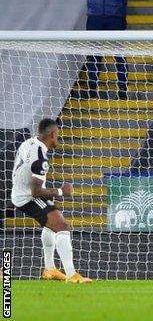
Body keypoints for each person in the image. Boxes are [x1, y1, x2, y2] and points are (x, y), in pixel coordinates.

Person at [11, 119, 92, 283]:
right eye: (58, 135)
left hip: (19, 190)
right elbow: (36, 192)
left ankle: (50, 269)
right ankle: (71, 275)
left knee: (51, 223)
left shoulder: (29, 143)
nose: (58, 139)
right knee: (61, 225)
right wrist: (62, 191)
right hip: (27, 197)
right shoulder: (41, 158)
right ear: (52, 134)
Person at [81, 0, 131, 99]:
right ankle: (92, 89)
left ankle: (122, 90)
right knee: (94, 53)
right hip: (95, 15)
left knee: (118, 53)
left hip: (115, 15)